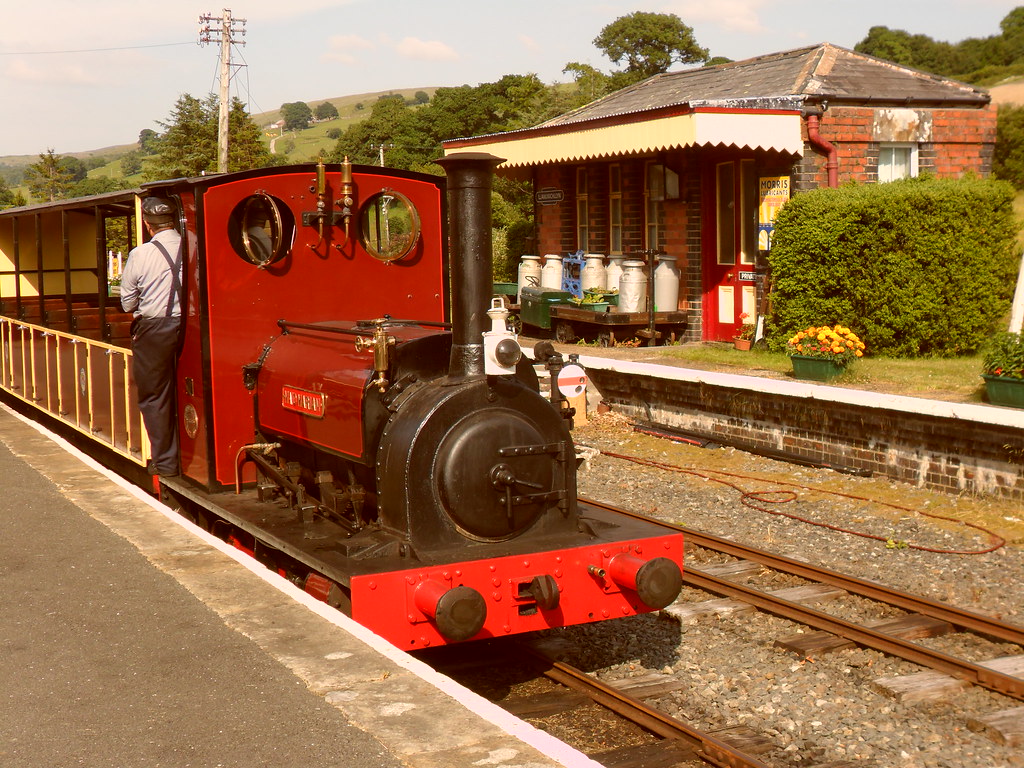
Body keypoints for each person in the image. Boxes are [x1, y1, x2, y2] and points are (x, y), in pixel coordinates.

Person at [120, 197, 183, 477]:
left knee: (154, 395)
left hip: (155, 329)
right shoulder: (193, 246)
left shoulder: (141, 254)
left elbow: (127, 303)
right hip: (192, 325)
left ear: (147, 224)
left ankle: (167, 464)